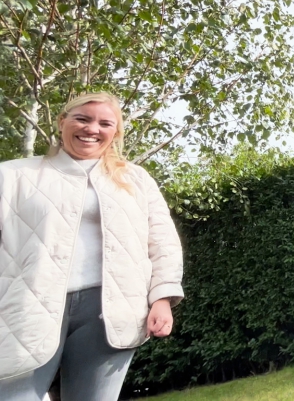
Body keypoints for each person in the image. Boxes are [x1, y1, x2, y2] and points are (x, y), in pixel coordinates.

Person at [0, 92, 184, 401]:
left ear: (116, 132)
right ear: (62, 122)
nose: (91, 129)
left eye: (104, 123)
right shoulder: (13, 175)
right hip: (25, 309)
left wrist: (162, 298)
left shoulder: (135, 179)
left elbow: (163, 242)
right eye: (82, 119)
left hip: (110, 312)